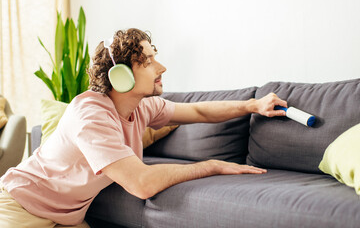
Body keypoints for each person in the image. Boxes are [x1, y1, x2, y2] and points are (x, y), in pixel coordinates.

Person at [0, 28, 287, 227]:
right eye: (148, 61)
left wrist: (253, 105)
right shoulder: (91, 115)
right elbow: (141, 183)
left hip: (66, 217)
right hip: (21, 207)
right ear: (121, 76)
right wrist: (211, 166)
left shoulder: (141, 107)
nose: (161, 68)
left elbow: (198, 110)